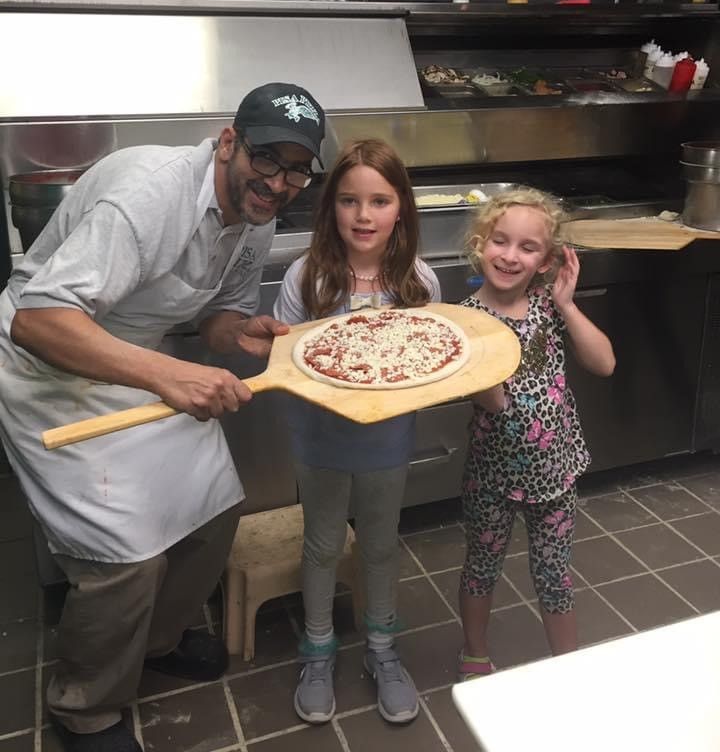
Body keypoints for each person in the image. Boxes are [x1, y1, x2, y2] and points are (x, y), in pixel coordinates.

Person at [0, 82, 325, 752]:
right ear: (229, 141)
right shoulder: (150, 193)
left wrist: (239, 335)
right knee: (125, 555)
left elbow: (215, 318)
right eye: (267, 158)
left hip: (134, 362)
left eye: (297, 168)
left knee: (214, 510)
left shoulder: (257, 219)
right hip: (45, 372)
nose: (279, 182)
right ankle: (84, 706)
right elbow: (39, 321)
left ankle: (156, 643)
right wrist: (168, 375)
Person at [274, 139, 440, 725]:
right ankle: (317, 651)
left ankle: (382, 650)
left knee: (379, 544)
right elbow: (287, 364)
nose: (363, 216)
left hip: (387, 443)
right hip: (319, 443)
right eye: (348, 201)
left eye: (378, 201)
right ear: (330, 208)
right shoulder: (306, 277)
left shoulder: (418, 281)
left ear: (401, 208)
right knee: (321, 545)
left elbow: (427, 368)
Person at [457, 187, 615, 679]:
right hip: (492, 476)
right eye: (499, 241)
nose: (509, 255)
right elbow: (497, 403)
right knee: (482, 566)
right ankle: (475, 653)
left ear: (546, 260)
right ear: (481, 243)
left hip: (556, 475)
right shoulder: (467, 321)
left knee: (554, 575)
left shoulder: (548, 305)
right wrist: (479, 370)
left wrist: (567, 305)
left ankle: (566, 669)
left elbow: (605, 363)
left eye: (527, 247)